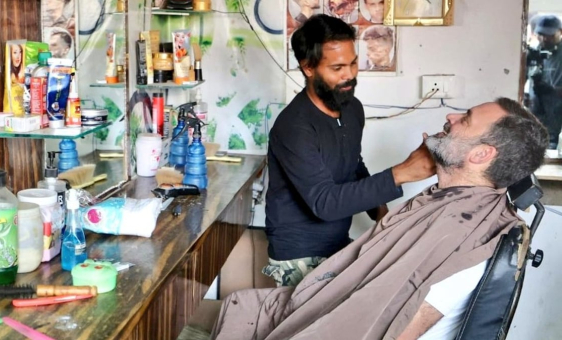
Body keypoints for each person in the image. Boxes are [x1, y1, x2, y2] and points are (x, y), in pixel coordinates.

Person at [211, 97, 548, 340]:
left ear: (481, 154)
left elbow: (397, 326)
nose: (451, 115)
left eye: (466, 119)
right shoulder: (453, 205)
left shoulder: (466, 238)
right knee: (246, 305)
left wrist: (399, 175)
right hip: (313, 278)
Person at [264, 15, 435, 287]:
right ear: (308, 67)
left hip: (337, 242)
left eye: (353, 63)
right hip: (299, 254)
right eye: (337, 67)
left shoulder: (351, 107)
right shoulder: (294, 127)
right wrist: (400, 174)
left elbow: (353, 164)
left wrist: (381, 214)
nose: (350, 74)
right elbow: (325, 203)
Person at [527, 15, 562, 149]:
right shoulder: (535, 51)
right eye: (541, 34)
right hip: (537, 114)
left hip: (557, 119)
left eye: (549, 35)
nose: (544, 39)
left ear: (560, 32)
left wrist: (553, 91)